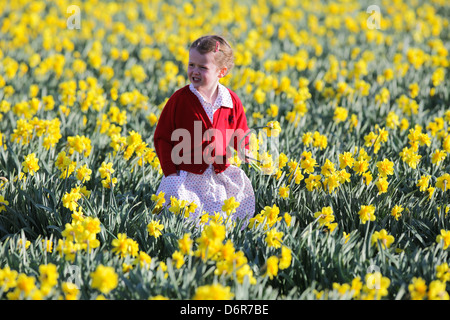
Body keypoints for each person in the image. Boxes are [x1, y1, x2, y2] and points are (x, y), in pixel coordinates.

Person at [153, 35, 255, 226]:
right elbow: (162, 138)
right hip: (185, 176)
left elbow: (240, 130)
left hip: (219, 174)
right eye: (191, 65)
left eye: (203, 67)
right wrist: (170, 173)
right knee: (183, 220)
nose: (195, 71)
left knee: (225, 220)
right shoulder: (179, 100)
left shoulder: (231, 101)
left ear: (221, 72)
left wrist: (244, 149)